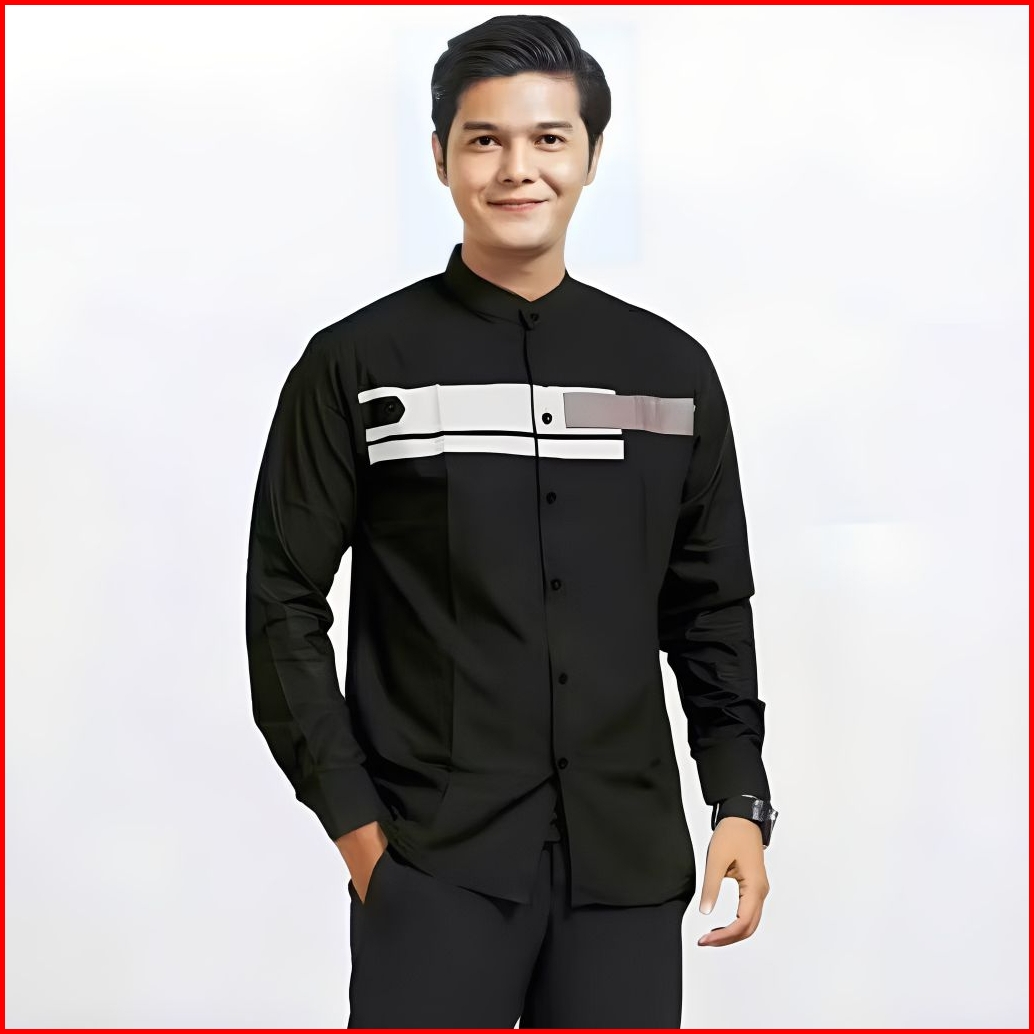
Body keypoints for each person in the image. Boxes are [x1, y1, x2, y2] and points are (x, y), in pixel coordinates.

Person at [245, 13, 778, 1028]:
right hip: (433, 866)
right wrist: (360, 832)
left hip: (625, 868)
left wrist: (738, 798)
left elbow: (709, 605)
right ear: (439, 155)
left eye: (548, 138)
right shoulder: (356, 365)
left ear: (591, 156)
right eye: (484, 139)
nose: (516, 168)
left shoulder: (669, 373)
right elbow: (280, 602)